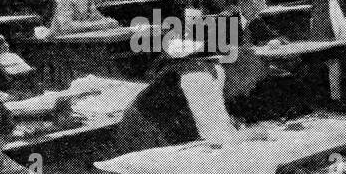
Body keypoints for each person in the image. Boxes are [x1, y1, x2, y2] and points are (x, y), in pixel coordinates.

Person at [114, 36, 271, 153]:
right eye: (250, 83)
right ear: (237, 72)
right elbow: (219, 138)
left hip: (157, 132)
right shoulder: (199, 77)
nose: (247, 91)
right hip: (144, 137)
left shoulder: (212, 71)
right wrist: (254, 133)